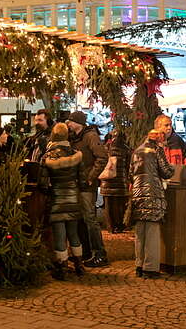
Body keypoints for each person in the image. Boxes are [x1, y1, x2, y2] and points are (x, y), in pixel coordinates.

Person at [39, 123, 88, 280]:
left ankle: (62, 267)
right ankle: (79, 265)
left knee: (59, 235)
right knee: (73, 233)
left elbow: (43, 183)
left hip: (57, 200)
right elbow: (83, 179)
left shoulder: (47, 157)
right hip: (73, 198)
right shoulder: (75, 154)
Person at [65, 110, 109, 267]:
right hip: (78, 184)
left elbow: (102, 157)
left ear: (77, 122)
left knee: (90, 220)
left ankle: (100, 254)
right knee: (80, 219)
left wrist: (91, 177)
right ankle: (85, 253)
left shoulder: (90, 136)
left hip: (87, 185)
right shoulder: (74, 137)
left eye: (70, 121)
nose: (68, 124)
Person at [130, 129, 174, 278]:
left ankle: (139, 265)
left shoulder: (137, 150)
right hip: (153, 194)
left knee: (140, 232)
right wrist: (173, 168)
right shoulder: (156, 150)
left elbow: (131, 173)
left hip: (137, 194)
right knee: (152, 232)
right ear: (158, 139)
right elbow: (166, 171)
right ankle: (150, 268)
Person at [101, 130, 132, 233]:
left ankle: (110, 226)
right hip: (121, 182)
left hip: (107, 181)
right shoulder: (126, 150)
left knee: (108, 205)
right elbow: (128, 167)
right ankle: (120, 225)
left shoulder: (106, 148)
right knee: (119, 205)